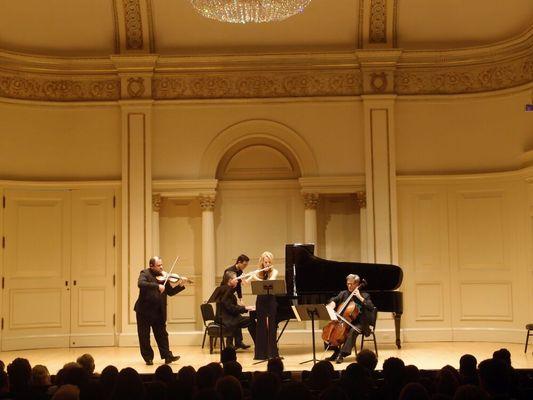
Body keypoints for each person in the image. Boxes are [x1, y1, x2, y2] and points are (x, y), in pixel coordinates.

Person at [134, 256, 187, 365]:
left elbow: (170, 292)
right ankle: (148, 358)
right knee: (144, 336)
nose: (161, 267)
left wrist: (180, 285)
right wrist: (157, 286)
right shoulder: (145, 273)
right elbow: (141, 284)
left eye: (162, 265)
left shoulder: (164, 276)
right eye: (159, 266)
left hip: (158, 311)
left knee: (162, 334)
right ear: (151, 266)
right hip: (144, 311)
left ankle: (167, 356)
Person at [325, 273, 375, 363]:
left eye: (351, 284)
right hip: (345, 322)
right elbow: (334, 299)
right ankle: (336, 352)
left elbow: (371, 307)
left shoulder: (365, 295)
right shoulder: (344, 293)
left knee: (352, 331)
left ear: (357, 284)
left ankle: (342, 354)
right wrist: (332, 302)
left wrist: (360, 297)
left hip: (360, 323)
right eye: (347, 283)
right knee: (329, 330)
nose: (349, 285)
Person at [249, 251, 280, 360]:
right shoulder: (259, 272)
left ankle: (272, 354)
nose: (267, 264)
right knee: (261, 326)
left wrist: (255, 278)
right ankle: (261, 354)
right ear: (262, 262)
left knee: (272, 327)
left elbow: (269, 282)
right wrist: (250, 277)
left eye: (269, 262)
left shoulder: (274, 271)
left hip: (271, 300)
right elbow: (249, 283)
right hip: (261, 300)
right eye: (265, 262)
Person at [217, 271, 256, 349]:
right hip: (227, 318)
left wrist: (246, 307)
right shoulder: (226, 291)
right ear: (230, 280)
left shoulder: (227, 290)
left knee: (250, 320)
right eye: (236, 279)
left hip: (230, 316)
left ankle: (239, 343)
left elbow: (232, 306)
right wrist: (245, 308)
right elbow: (231, 308)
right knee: (251, 321)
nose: (238, 281)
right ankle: (259, 345)